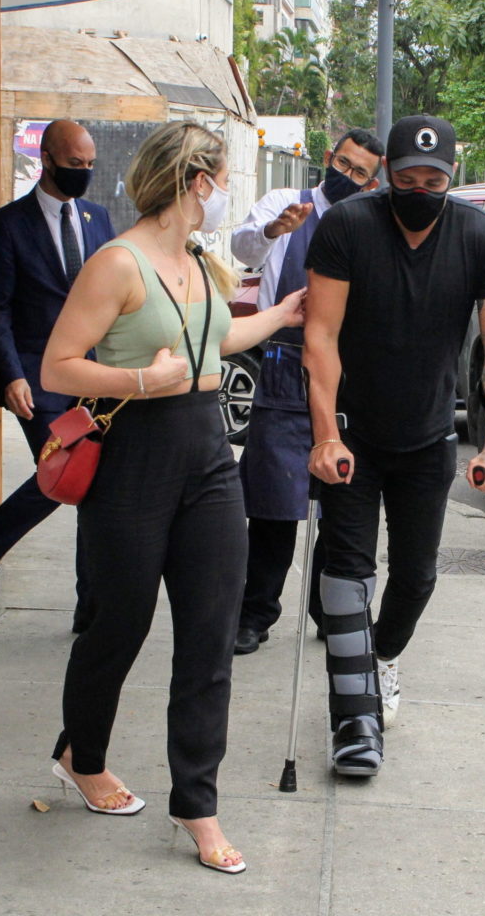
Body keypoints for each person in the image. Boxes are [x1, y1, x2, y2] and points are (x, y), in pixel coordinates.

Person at [40, 121, 304, 873]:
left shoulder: (197, 258)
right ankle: (82, 754)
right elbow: (58, 366)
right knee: (117, 625)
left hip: (208, 454)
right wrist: (139, 380)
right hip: (134, 457)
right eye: (220, 179)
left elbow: (211, 343)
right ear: (197, 181)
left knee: (210, 637)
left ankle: (197, 803)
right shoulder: (116, 263)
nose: (224, 195)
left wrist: (282, 314)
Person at [303, 114, 485, 776]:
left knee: (417, 575)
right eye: (406, 178)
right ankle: (354, 724)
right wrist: (325, 434)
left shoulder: (479, 237)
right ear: (386, 176)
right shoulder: (348, 228)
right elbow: (320, 336)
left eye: (434, 180)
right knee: (346, 577)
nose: (420, 190)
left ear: (451, 177)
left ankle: (382, 658)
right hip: (354, 434)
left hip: (428, 437)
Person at [0, 120, 115, 630]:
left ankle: (90, 609)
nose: (84, 172)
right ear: (47, 159)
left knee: (93, 485)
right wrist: (11, 375)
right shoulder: (9, 224)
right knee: (63, 473)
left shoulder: (98, 218)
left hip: (94, 375)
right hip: (38, 377)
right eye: (75, 164)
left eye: (89, 165)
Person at [230, 129, 384, 655]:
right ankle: (255, 613)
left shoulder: (369, 223)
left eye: (360, 173)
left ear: (372, 182)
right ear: (328, 157)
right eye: (343, 164)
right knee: (272, 502)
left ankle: (330, 610)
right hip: (284, 364)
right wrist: (274, 229)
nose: (348, 176)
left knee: (342, 499)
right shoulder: (285, 203)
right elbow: (243, 247)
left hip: (346, 369)